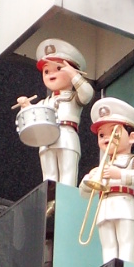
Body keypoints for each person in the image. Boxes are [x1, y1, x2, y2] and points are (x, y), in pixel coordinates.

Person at [80, 97, 134, 264]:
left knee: (127, 244)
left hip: (125, 204)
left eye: (114, 132)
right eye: (101, 135)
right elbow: (84, 193)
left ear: (132, 137)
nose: (107, 138)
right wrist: (89, 178)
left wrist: (119, 174)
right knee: (108, 246)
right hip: (104, 207)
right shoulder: (102, 166)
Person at [15, 40, 94, 187]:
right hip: (46, 139)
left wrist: (74, 75)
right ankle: (50, 201)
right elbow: (32, 117)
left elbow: (87, 94)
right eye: (46, 71)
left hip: (67, 135)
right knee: (49, 176)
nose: (51, 74)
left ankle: (65, 199)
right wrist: (25, 106)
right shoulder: (45, 102)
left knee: (67, 174)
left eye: (58, 68)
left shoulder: (74, 98)